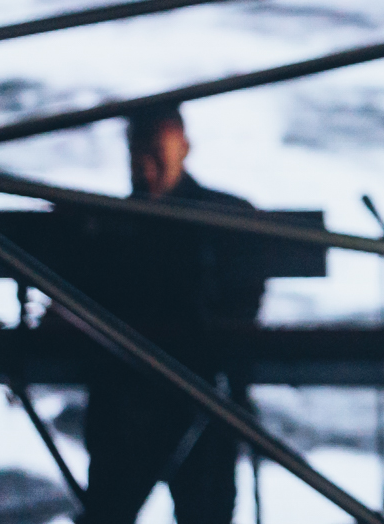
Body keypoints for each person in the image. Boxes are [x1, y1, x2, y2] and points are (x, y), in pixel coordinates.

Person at [66, 105, 265, 524]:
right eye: (137, 154)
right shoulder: (227, 215)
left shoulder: (105, 227)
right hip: (191, 394)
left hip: (170, 395)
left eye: (153, 153)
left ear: (183, 148)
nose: (143, 166)